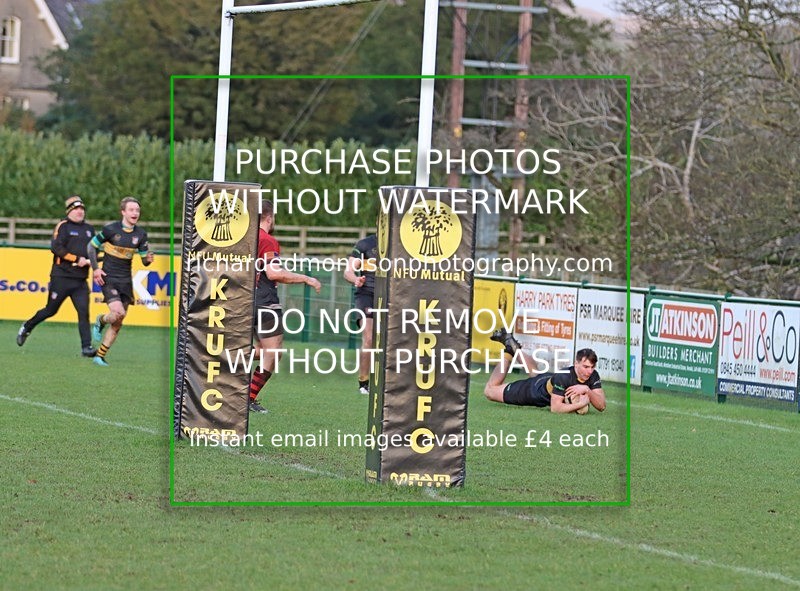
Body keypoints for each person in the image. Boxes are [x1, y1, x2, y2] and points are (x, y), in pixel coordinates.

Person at [249, 200, 322, 413]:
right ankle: (246, 396)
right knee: (272, 352)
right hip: (265, 302)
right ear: (269, 217)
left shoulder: (244, 239)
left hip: (245, 301)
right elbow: (274, 273)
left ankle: (233, 357)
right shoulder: (267, 240)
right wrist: (306, 278)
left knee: (268, 351)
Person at [16, 195, 97, 357]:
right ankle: (27, 327)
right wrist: (76, 259)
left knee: (84, 312)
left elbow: (94, 250)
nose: (80, 212)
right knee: (50, 310)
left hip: (80, 281)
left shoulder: (89, 229)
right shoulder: (63, 226)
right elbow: (56, 248)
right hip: (62, 278)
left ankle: (86, 348)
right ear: (69, 211)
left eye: (82, 209)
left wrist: (93, 264)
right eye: (76, 209)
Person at [86, 196, 154, 367]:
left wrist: (148, 259)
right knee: (118, 312)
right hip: (108, 278)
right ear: (123, 212)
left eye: (137, 210)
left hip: (125, 281)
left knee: (117, 324)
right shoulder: (110, 230)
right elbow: (91, 246)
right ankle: (101, 320)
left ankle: (100, 356)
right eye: (131, 210)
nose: (135, 213)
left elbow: (145, 260)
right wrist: (96, 269)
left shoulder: (140, 234)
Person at [484, 328, 606, 413]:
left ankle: (512, 346)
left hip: (547, 380)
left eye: (592, 367)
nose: (589, 371)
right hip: (534, 391)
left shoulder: (593, 375)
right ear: (576, 364)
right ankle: (508, 353)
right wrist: (579, 405)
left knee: (535, 372)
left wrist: (587, 390)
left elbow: (601, 406)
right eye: (585, 367)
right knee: (490, 391)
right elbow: (555, 408)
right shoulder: (563, 377)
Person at [343, 233, 377, 394]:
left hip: (392, 297)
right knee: (369, 338)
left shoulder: (400, 245)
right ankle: (364, 383)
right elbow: (348, 271)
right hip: (367, 295)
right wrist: (355, 279)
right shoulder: (366, 244)